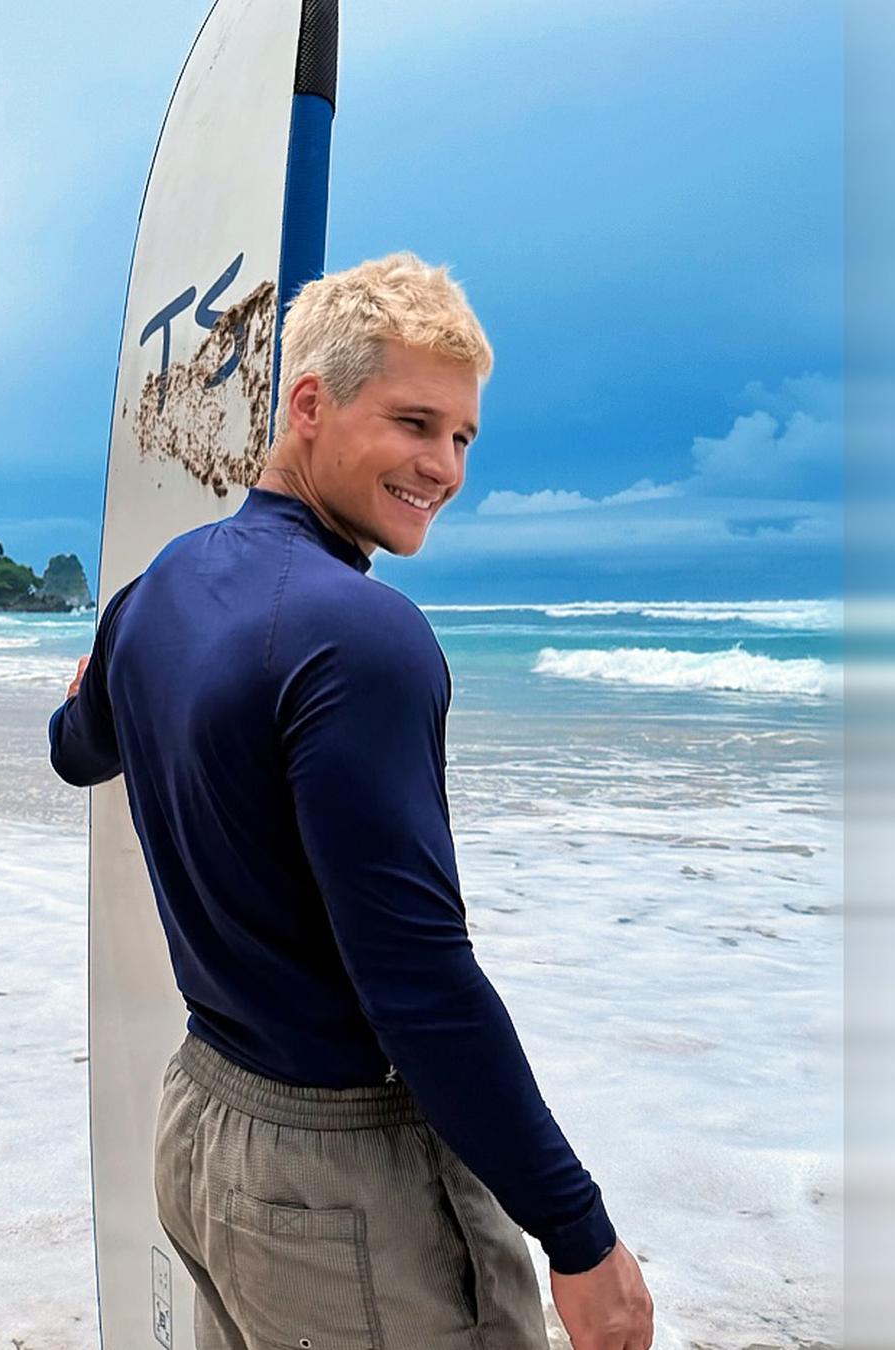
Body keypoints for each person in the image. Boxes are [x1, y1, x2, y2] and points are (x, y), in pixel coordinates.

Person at [49, 253, 655, 1350]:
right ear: (312, 405)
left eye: (463, 438)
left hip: (202, 1128)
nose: (444, 466)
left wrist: (101, 671)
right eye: (415, 423)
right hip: (343, 1183)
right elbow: (417, 981)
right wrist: (580, 1236)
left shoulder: (156, 595)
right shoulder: (364, 640)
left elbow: (74, 747)